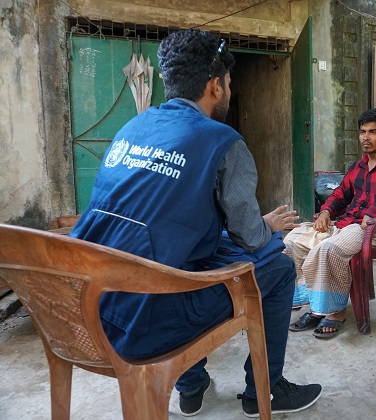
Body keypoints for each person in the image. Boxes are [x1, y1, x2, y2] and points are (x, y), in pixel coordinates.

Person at [69, 29, 322, 417]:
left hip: (89, 309)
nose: (230, 91)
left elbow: (163, 220)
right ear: (215, 86)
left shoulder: (132, 128)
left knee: (193, 252)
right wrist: (265, 227)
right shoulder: (222, 140)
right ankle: (263, 392)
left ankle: (191, 384)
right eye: (230, 83)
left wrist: (250, 227)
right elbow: (251, 239)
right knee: (280, 266)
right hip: (145, 325)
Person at [285, 108, 376, 339]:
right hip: (345, 225)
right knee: (293, 241)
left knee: (328, 250)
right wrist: (327, 211)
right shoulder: (357, 167)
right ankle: (317, 307)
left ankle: (336, 312)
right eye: (362, 132)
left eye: (373, 132)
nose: (365, 137)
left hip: (373, 231)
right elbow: (340, 194)